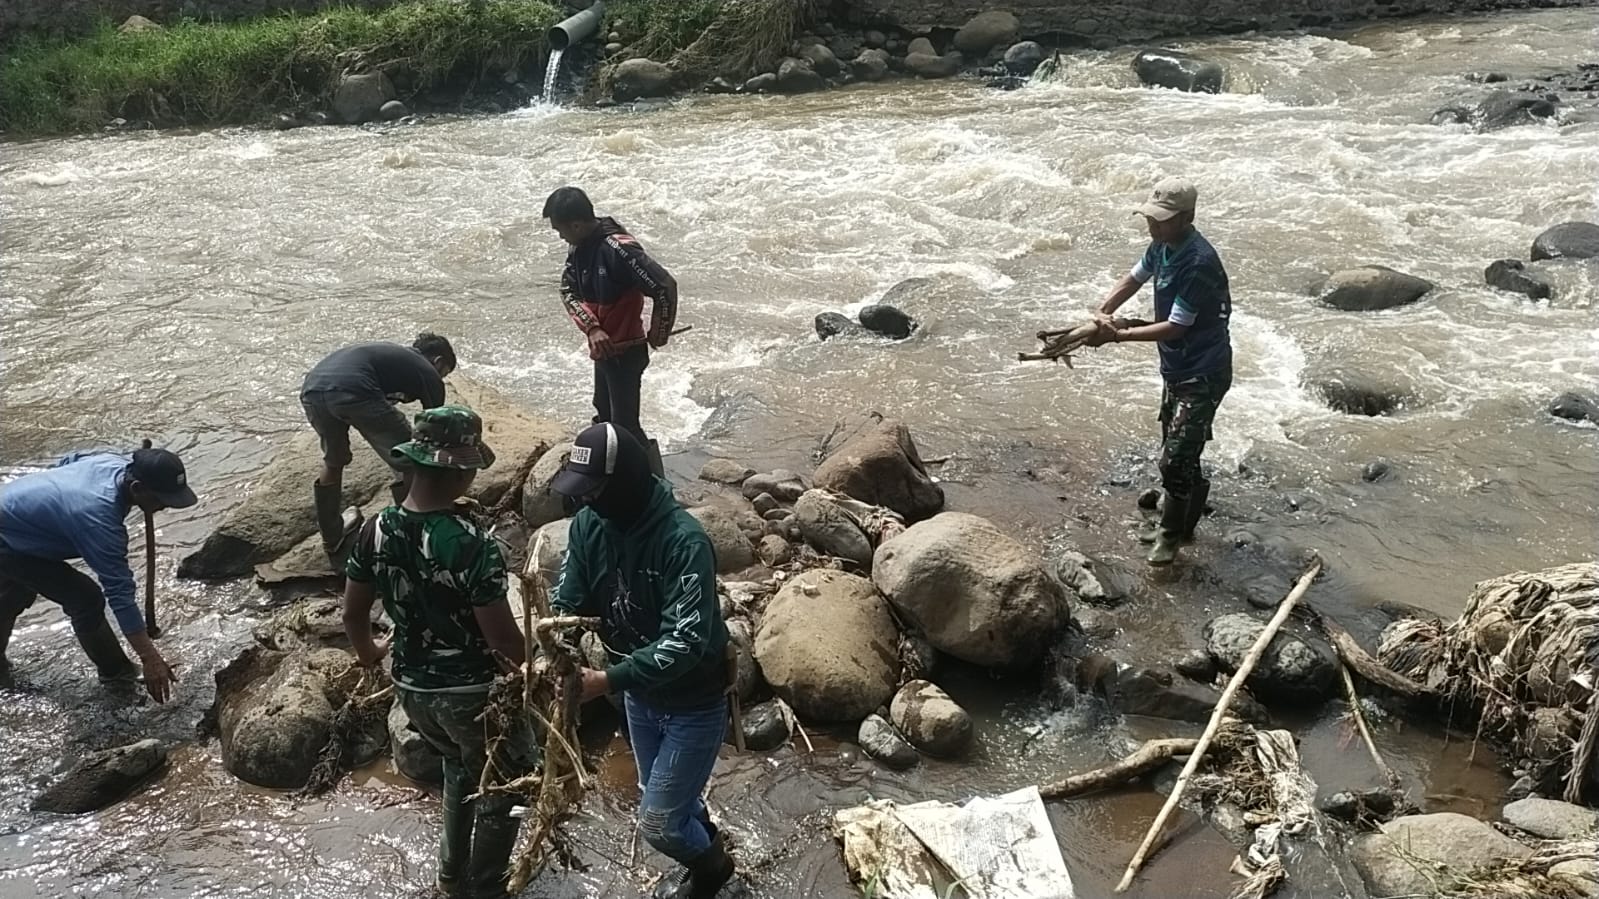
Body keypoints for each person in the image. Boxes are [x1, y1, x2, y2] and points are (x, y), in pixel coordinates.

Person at [341, 405, 533, 899]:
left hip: (413, 690)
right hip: (472, 693)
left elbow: (353, 615)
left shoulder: (374, 530)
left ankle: (451, 876)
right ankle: (486, 882)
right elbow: (503, 642)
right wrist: (533, 676)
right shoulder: (470, 544)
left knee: (456, 770)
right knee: (512, 784)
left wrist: (369, 656)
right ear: (463, 470)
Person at [549, 422, 733, 899]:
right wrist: (552, 645)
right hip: (637, 696)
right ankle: (706, 842)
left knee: (656, 822)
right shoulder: (590, 526)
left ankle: (714, 870)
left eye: (594, 492)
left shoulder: (682, 541)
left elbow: (686, 642)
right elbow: (568, 596)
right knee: (668, 801)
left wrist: (607, 679)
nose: (585, 502)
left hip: (693, 700)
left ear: (626, 484)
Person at [1089, 178, 1233, 566]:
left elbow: (1176, 327)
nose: (1153, 226)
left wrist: (1117, 336)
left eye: (1162, 220)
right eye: (1151, 218)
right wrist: (1102, 314)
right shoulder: (1163, 247)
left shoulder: (1198, 263)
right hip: (1176, 368)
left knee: (1174, 458)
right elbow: (1133, 279)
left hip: (1202, 372)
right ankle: (1184, 524)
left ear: (1187, 218)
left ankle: (1170, 535)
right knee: (1183, 449)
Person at [0, 442, 195, 701]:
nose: (164, 507)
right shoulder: (98, 519)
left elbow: (70, 460)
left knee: (14, 593)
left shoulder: (112, 462)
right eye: (161, 500)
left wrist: (53, 509)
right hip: (6, 538)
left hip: (12, 519)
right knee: (85, 598)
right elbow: (120, 594)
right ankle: (117, 675)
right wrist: (150, 657)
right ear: (136, 488)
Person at [542, 186, 678, 475]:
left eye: (559, 230)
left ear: (576, 224)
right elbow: (567, 290)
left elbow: (665, 287)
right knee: (603, 416)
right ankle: (607, 480)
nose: (560, 236)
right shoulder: (578, 248)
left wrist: (659, 331)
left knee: (625, 427)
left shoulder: (620, 249)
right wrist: (592, 328)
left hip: (626, 352)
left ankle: (654, 486)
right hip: (603, 349)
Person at [300, 332, 457, 560]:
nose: (441, 378)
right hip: (355, 389)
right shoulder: (428, 372)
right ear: (439, 362)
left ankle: (332, 537)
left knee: (334, 460)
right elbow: (433, 427)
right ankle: (413, 532)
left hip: (312, 390)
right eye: (444, 373)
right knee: (409, 457)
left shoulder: (394, 358)